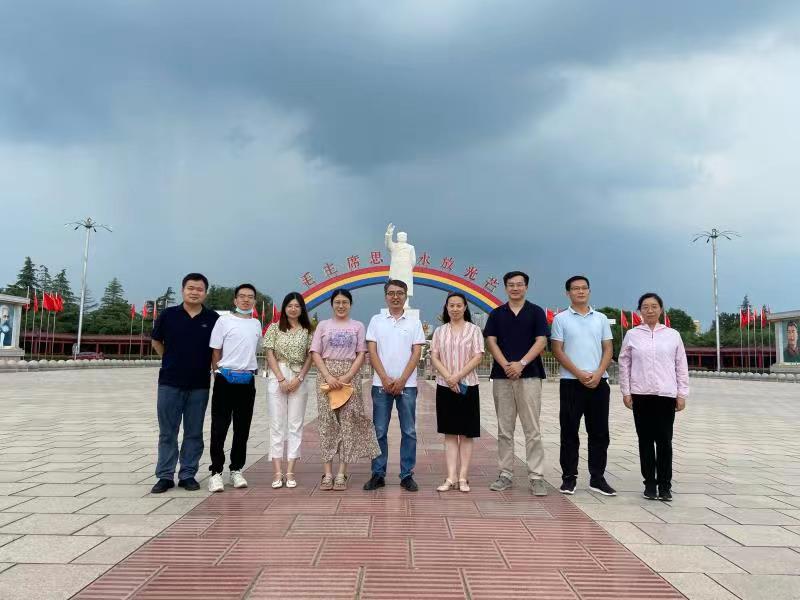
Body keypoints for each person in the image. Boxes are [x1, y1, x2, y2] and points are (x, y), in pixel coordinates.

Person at [150, 273, 219, 494]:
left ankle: (188, 474)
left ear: (205, 293)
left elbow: (217, 350)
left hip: (199, 384)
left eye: (199, 289)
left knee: (194, 432)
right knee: (167, 432)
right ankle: (165, 475)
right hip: (169, 382)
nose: (194, 292)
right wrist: (170, 359)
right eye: (191, 288)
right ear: (183, 290)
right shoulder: (168, 315)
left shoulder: (213, 318)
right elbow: (156, 341)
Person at [483, 271, 550, 496]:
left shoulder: (536, 312)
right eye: (511, 285)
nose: (515, 288)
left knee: (532, 429)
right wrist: (506, 365)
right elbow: (491, 341)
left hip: (530, 375)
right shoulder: (497, 314)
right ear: (505, 288)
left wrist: (521, 364)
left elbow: (541, 340)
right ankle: (505, 474)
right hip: (502, 377)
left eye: (519, 284)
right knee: (504, 429)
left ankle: (536, 476)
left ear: (526, 287)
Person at [618, 292, 689, 502]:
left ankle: (665, 485)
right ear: (639, 310)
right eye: (645, 307)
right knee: (645, 441)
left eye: (654, 306)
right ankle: (650, 483)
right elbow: (624, 364)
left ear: (661, 309)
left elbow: (681, 365)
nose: (650, 310)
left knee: (665, 441)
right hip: (641, 394)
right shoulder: (632, 335)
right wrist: (626, 391)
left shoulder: (672, 335)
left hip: (666, 395)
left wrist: (682, 393)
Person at [550, 275, 616, 496]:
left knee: (599, 433)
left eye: (584, 288)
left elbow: (608, 348)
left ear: (589, 291)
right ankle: (569, 478)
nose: (580, 291)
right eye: (575, 288)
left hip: (599, 382)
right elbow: (557, 350)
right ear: (567, 293)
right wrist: (579, 374)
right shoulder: (561, 319)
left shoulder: (601, 318)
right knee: (569, 432)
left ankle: (597, 478)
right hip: (571, 383)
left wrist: (598, 373)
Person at [310, 289, 380, 491]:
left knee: (348, 423)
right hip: (326, 378)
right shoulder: (323, 325)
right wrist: (328, 376)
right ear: (332, 304)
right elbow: (315, 352)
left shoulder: (358, 326)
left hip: (350, 379)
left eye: (345, 302)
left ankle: (341, 472)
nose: (341, 306)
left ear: (350, 304)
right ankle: (327, 473)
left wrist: (348, 375)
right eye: (337, 302)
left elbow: (361, 353)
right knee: (327, 423)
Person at [364, 279, 426, 492]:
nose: (395, 297)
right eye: (391, 293)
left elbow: (416, 353)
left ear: (405, 296)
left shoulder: (414, 322)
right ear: (385, 296)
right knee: (379, 430)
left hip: (407, 385)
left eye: (400, 293)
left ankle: (406, 474)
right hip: (380, 385)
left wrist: (401, 380)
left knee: (409, 431)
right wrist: (384, 378)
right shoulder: (376, 320)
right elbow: (372, 351)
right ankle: (377, 474)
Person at [207, 283, 262, 493]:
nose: (246, 299)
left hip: (247, 380)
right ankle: (216, 472)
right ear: (235, 300)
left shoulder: (256, 324)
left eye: (250, 296)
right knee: (219, 427)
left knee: (242, 428)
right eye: (242, 296)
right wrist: (218, 373)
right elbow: (215, 350)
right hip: (225, 379)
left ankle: (236, 469)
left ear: (254, 301)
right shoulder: (224, 321)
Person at [430, 292, 484, 493]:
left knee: (467, 433)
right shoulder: (440, 331)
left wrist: (458, 376)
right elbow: (434, 356)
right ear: (446, 307)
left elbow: (478, 356)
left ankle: (463, 477)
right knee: (450, 433)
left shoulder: (474, 330)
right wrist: (448, 377)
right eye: (451, 305)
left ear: (465, 307)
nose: (455, 309)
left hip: (468, 386)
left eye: (458, 305)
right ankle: (451, 476)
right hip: (445, 387)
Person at [264, 292, 313, 489]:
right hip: (278, 375)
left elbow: (311, 356)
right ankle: (277, 472)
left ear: (302, 309)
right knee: (277, 425)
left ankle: (291, 470)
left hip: (299, 376)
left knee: (295, 424)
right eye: (290, 305)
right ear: (284, 308)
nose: (293, 309)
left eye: (297, 306)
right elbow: (269, 353)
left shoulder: (308, 331)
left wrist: (299, 378)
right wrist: (281, 379)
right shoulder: (274, 328)